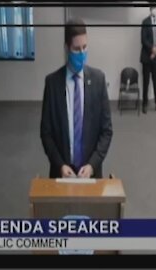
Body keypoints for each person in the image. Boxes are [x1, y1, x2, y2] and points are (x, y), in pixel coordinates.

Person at [40, 18, 113, 179]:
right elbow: (46, 133)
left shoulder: (99, 80)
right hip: (61, 172)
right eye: (76, 49)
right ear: (67, 48)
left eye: (85, 47)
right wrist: (60, 165)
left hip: (90, 172)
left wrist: (92, 165)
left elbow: (106, 131)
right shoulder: (52, 83)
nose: (82, 54)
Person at [140, 6, 156, 114]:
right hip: (146, 57)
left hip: (155, 58)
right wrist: (151, 49)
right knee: (146, 82)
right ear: (150, 10)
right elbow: (143, 39)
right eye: (154, 8)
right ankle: (144, 104)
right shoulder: (145, 22)